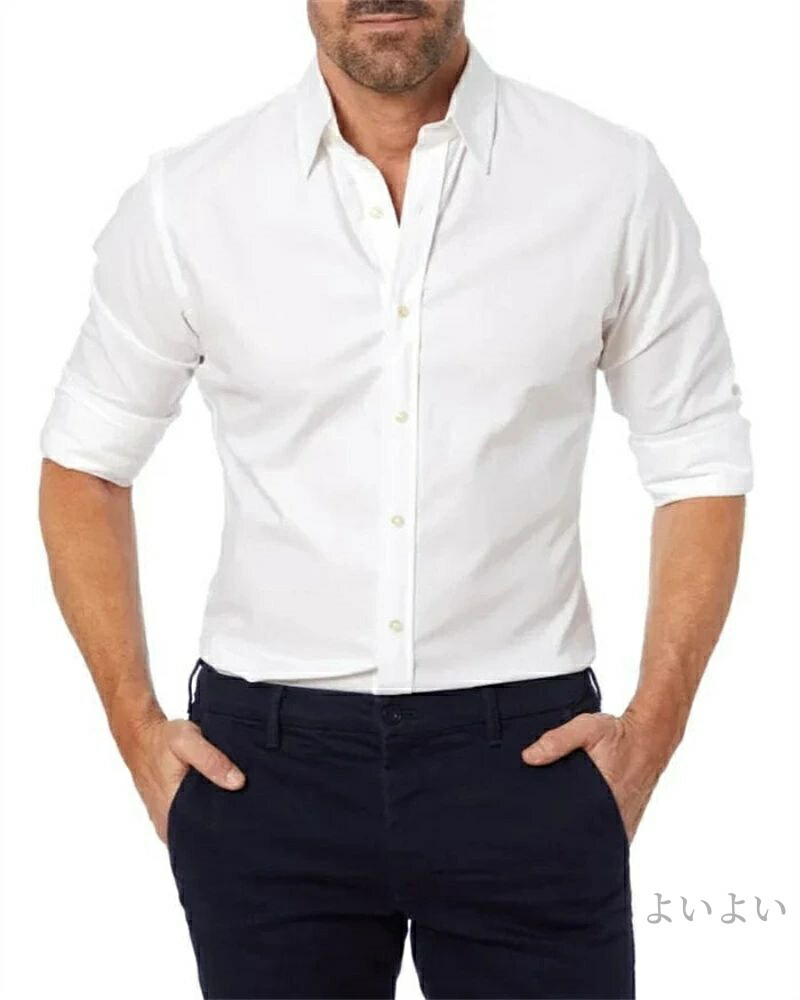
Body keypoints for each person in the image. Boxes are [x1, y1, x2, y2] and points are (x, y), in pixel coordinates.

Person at [38, 1, 753, 997]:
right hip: (263, 771)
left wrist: (653, 731)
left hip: (528, 758)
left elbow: (698, 457)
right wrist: (133, 726)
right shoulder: (190, 199)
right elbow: (84, 463)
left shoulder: (607, 181)